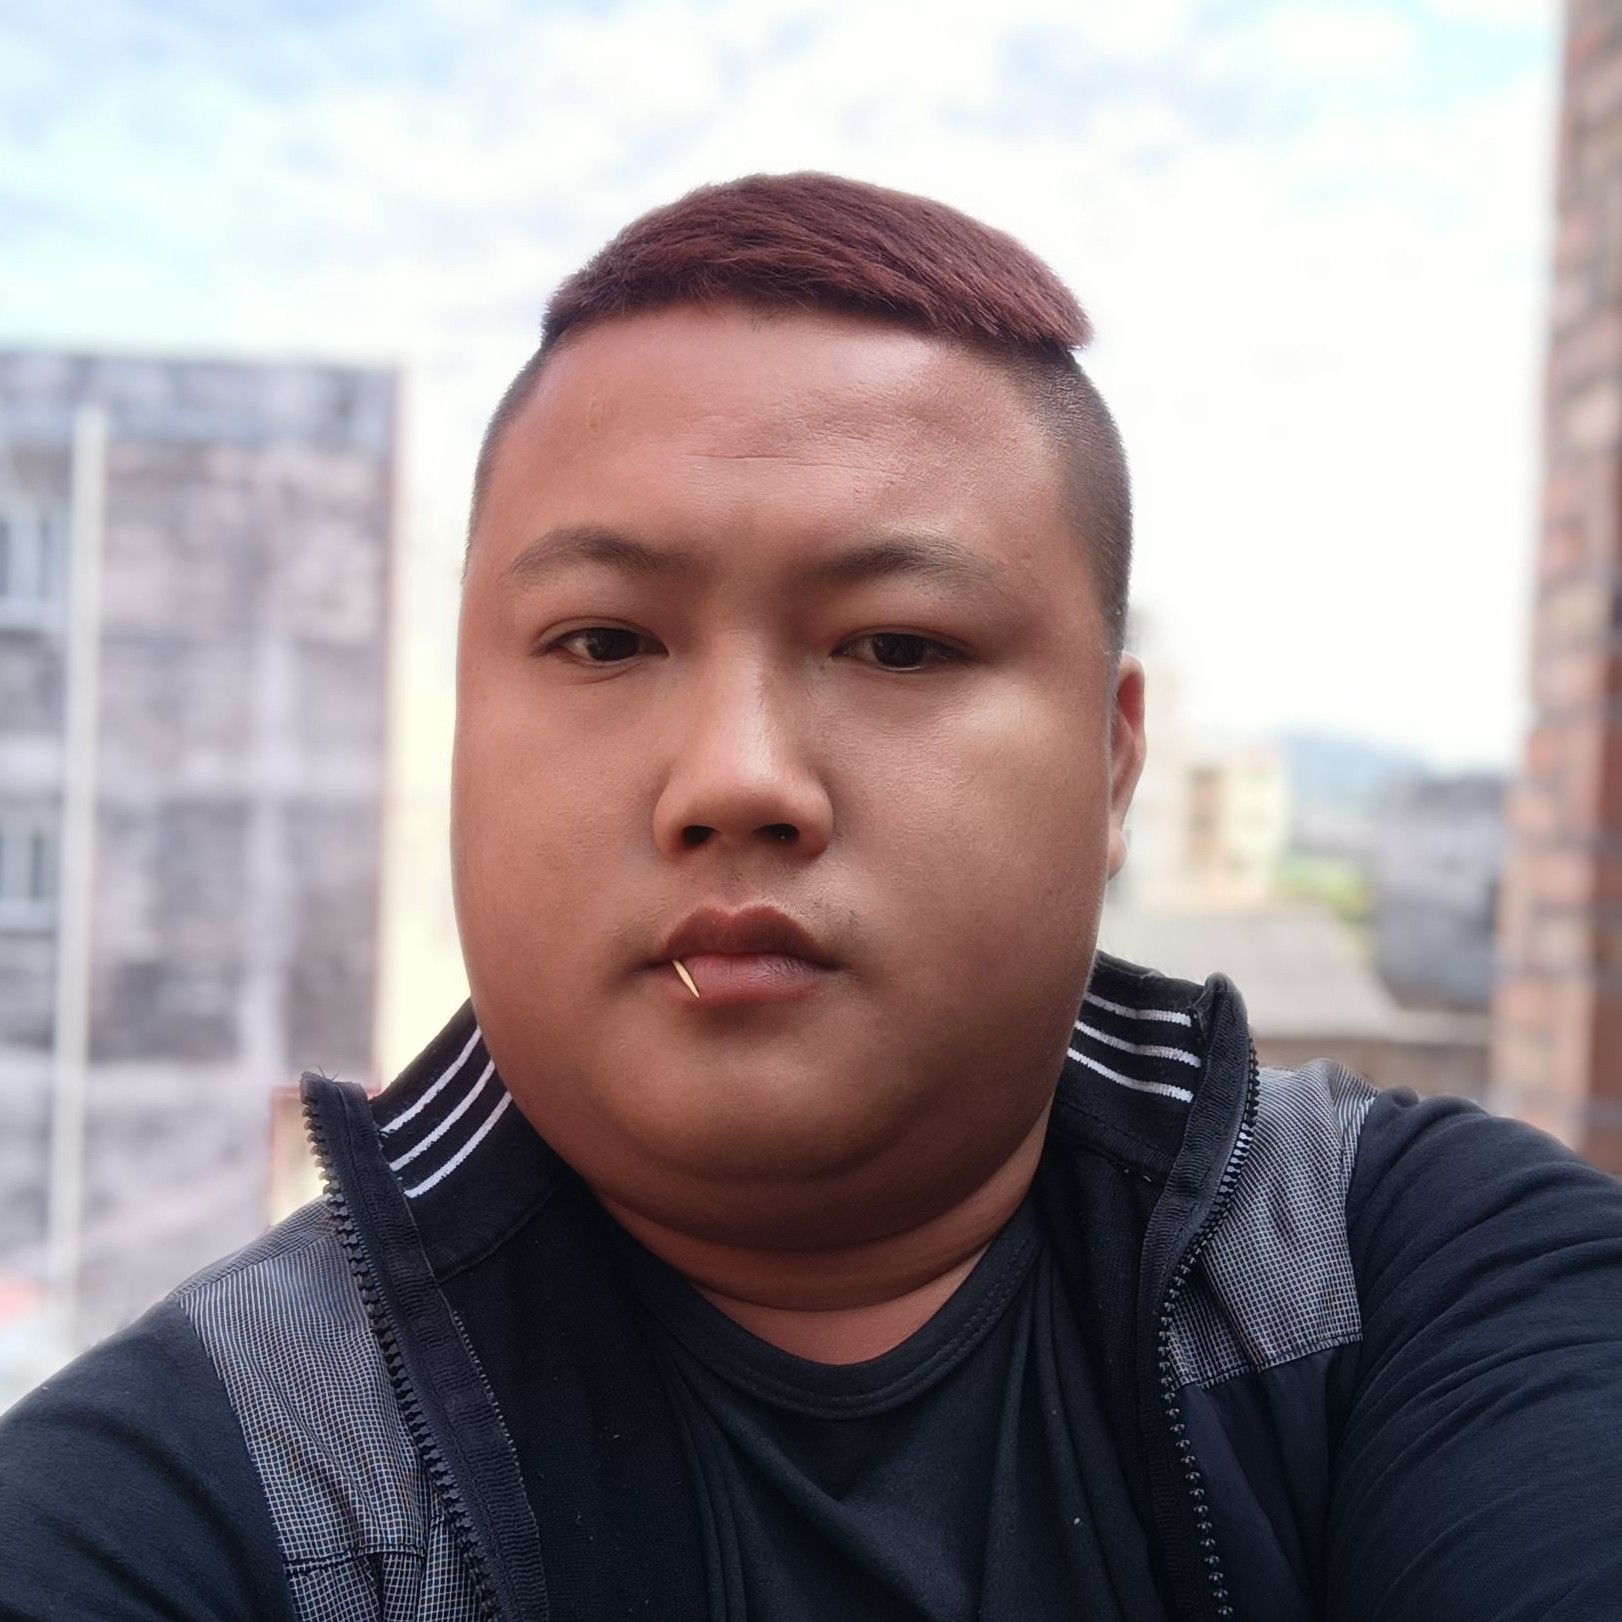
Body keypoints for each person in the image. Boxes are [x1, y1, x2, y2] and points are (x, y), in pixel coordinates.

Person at [2, 172, 1619, 1622]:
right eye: (604, 640)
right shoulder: (215, 1478)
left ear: (1114, 760)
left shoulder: (1414, 1277)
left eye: (898, 644)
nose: (735, 777)